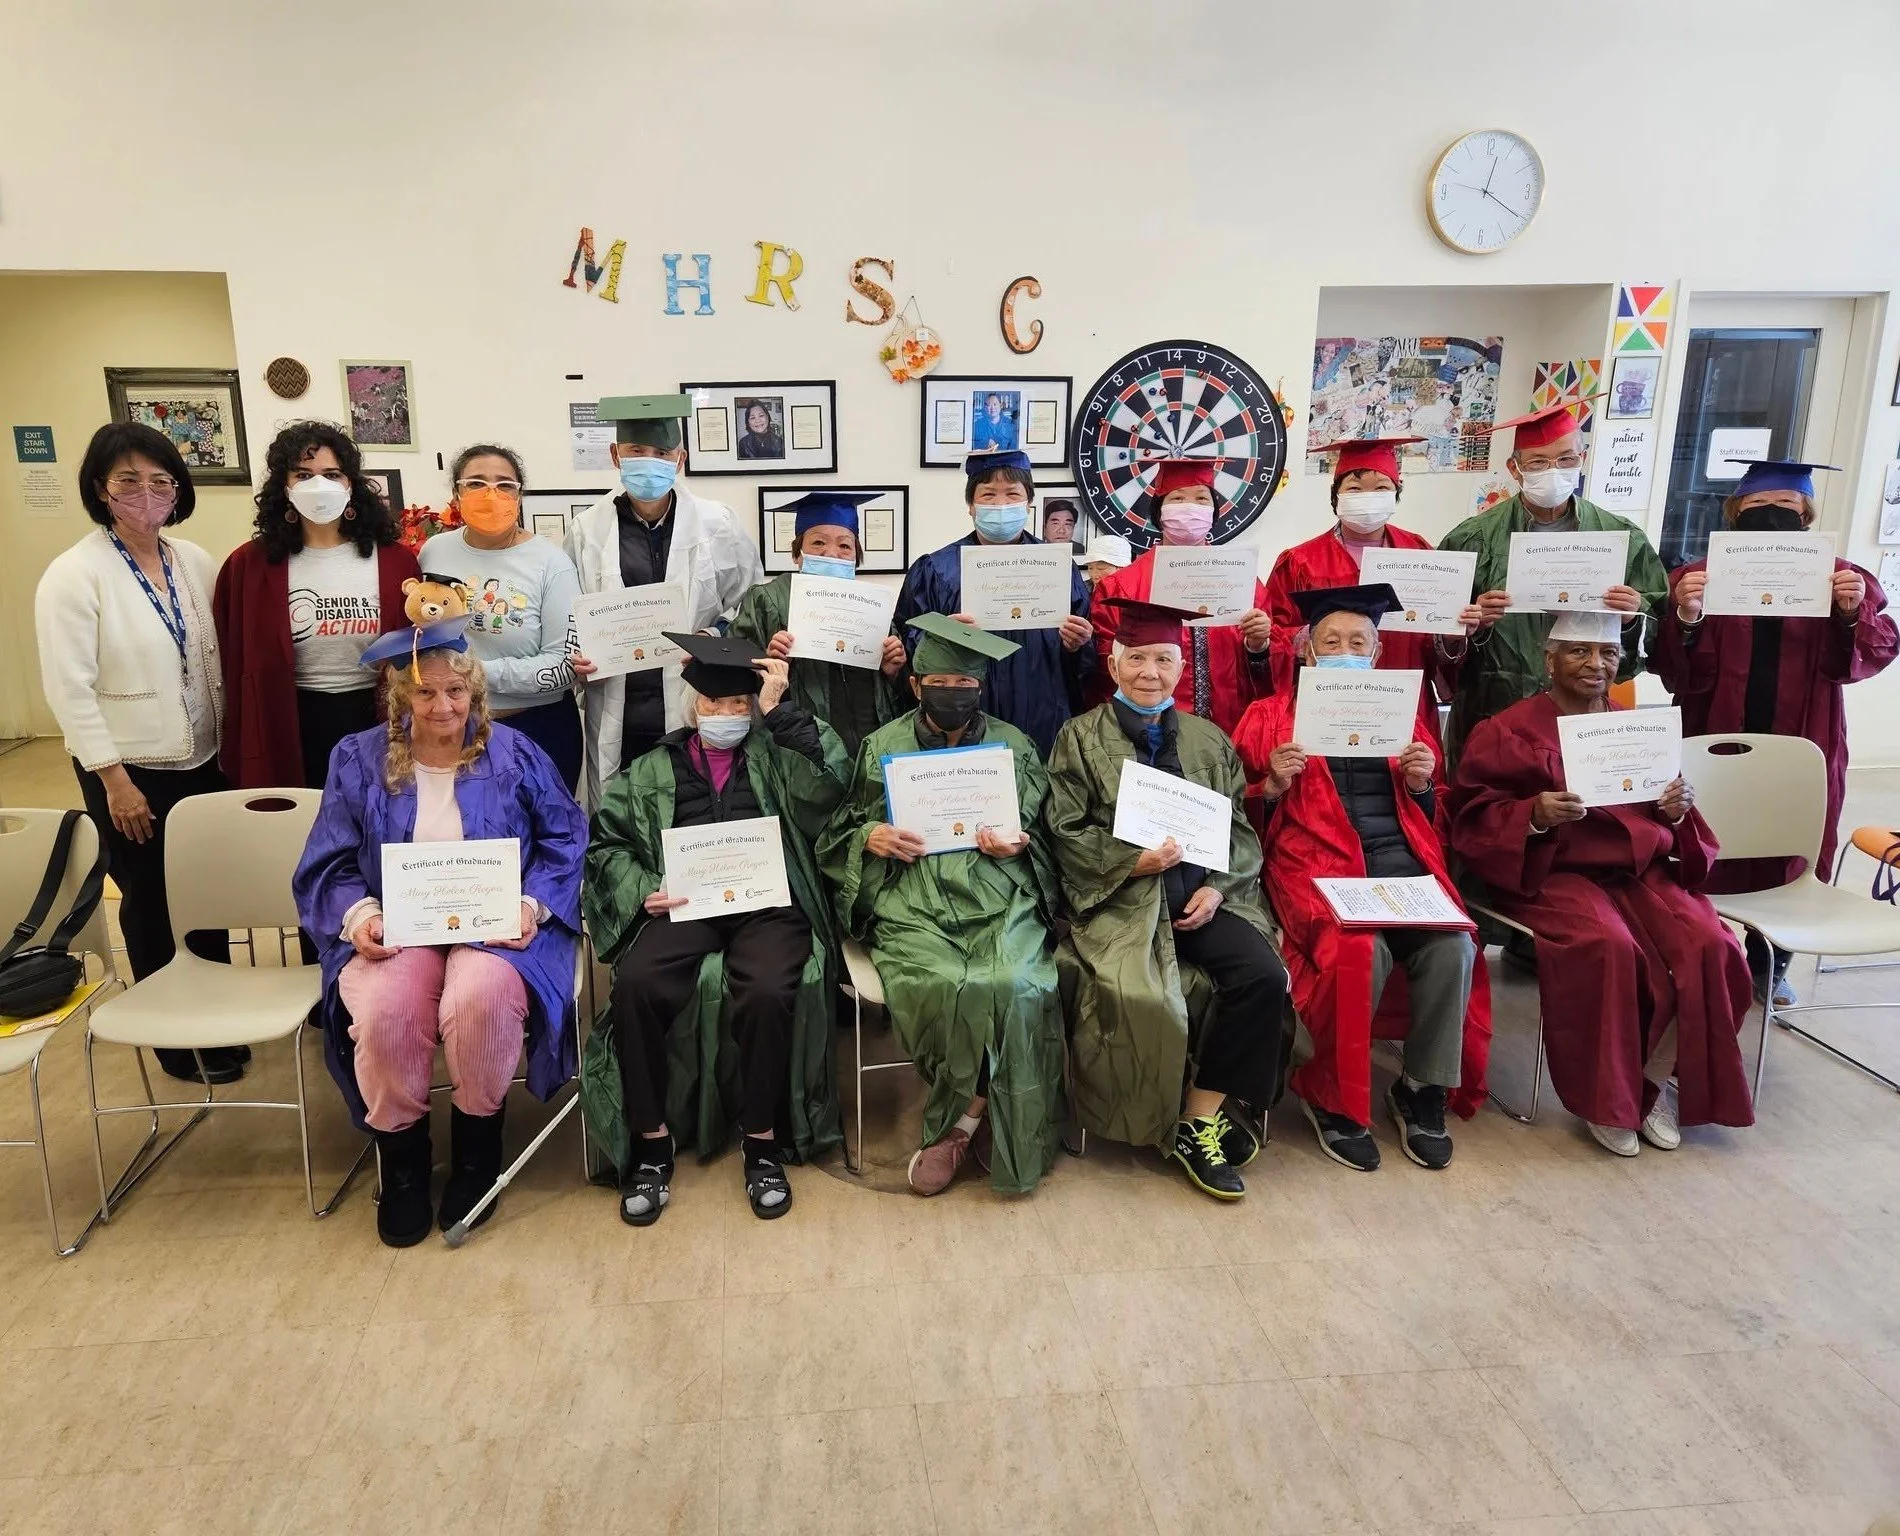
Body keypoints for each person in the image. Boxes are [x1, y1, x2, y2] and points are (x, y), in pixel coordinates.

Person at [292, 618, 585, 1246]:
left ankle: (477, 1156)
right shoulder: (359, 758)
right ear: (400, 699)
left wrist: (532, 906)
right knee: (386, 1010)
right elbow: (331, 859)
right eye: (425, 694)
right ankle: (404, 1163)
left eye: (456, 691)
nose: (443, 705)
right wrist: (360, 915)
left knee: (478, 1000)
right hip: (401, 924)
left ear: (474, 692)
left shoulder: (514, 752)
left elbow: (565, 837)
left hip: (498, 923)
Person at [1449, 610, 1755, 1157]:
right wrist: (1535, 815)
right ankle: (1608, 1101)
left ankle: (1649, 1084)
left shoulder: (1634, 729)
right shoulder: (1509, 731)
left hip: (1639, 871)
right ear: (1549, 660)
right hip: (1555, 870)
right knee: (1605, 945)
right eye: (1579, 652)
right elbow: (1472, 818)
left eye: (1607, 654)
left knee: (1712, 945)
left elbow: (1671, 816)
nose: (1596, 665)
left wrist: (1677, 811)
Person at [583, 635, 849, 1225]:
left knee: (766, 991)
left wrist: (781, 711)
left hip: (768, 904)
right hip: (686, 903)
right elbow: (608, 843)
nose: (726, 715)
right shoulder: (657, 765)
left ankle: (761, 1142)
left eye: (738, 705)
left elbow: (830, 791)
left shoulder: (778, 750)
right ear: (692, 705)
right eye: (713, 704)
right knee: (637, 986)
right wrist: (642, 887)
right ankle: (652, 1146)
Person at [1233, 584, 1490, 1173]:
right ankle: (1336, 1100)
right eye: (1331, 641)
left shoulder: (1405, 718)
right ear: (1306, 652)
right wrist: (1269, 786)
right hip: (1314, 864)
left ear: (1375, 655)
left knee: (1453, 944)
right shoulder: (1268, 715)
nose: (1344, 650)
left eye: (1358, 642)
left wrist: (1423, 785)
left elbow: (1435, 812)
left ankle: (1422, 1088)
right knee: (1358, 946)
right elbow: (1235, 815)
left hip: (1401, 863)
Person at [1046, 597, 1291, 1200]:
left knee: (1263, 975)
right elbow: (1066, 828)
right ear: (1113, 664)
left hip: (1203, 899)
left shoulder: (1208, 739)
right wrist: (1135, 862)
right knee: (1139, 994)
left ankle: (1198, 1117)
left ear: (1182, 669)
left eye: (1163, 659)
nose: (1149, 672)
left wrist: (1218, 887)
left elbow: (1236, 828)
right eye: (1137, 659)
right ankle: (1138, 1117)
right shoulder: (1078, 738)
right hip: (1122, 901)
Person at [819, 614, 1065, 1196]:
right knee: (947, 980)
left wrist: (1020, 840)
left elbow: (1042, 828)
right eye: (940, 684)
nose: (953, 695)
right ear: (915, 685)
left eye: (965, 685)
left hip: (998, 888)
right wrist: (869, 837)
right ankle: (975, 1117)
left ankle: (962, 1121)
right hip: (911, 896)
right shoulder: (883, 745)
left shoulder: (1015, 745)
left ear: (981, 688)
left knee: (1010, 980)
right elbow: (840, 830)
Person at [35, 421, 242, 1086]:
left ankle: (215, 1010)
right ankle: (171, 1033)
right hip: (130, 769)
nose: (146, 493)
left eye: (160, 481)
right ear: (102, 489)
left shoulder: (194, 560)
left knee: (208, 893)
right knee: (151, 898)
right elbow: (68, 689)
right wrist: (114, 779)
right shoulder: (74, 575)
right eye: (129, 481)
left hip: (204, 758)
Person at [1653, 459, 1897, 1004]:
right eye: (1760, 507)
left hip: (1805, 731)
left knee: (1795, 836)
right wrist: (1687, 617)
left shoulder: (1843, 577)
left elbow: (1874, 651)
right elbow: (1671, 666)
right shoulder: (1697, 574)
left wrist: (1850, 613)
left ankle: (1772, 958)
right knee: (1703, 829)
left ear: (1807, 514)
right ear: (1736, 510)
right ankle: (1698, 943)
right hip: (1714, 724)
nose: (1773, 516)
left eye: (1788, 508)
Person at [1436, 403, 1668, 767]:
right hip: (1495, 710)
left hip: (1586, 713)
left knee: (1583, 810)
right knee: (1499, 811)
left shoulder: (1622, 537)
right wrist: (1470, 624)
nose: (1553, 471)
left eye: (1565, 459)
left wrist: (1632, 618)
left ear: (1583, 457)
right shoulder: (1471, 539)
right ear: (1515, 468)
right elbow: (1436, 639)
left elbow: (1660, 629)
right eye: (1538, 463)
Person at [567, 393, 764, 808]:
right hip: (619, 705)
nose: (649, 461)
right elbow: (570, 615)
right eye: (637, 450)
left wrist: (712, 636)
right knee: (622, 814)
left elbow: (751, 603)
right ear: (615, 455)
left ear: (680, 458)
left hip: (695, 697)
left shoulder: (719, 525)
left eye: (662, 452)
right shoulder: (586, 531)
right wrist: (578, 655)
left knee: (691, 810)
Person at [214, 419, 418, 794]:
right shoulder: (249, 565)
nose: (318, 485)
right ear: (285, 487)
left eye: (332, 473)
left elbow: (416, 649)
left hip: (374, 716)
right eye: (303, 474)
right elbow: (232, 659)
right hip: (289, 718)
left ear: (350, 484)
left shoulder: (396, 561)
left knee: (375, 820)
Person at [1264, 436, 1476, 743]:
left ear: (1396, 493)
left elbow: (1435, 645)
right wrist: (1308, 638)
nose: (1368, 497)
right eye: (1354, 488)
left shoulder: (1421, 555)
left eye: (1381, 488)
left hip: (1404, 702)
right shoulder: (1299, 561)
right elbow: (1274, 635)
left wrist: (1453, 636)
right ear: (1336, 496)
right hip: (1325, 705)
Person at [893, 449, 1095, 757]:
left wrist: (1076, 645)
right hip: (964, 715)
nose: (1001, 505)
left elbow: (1082, 658)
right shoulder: (935, 570)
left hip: (1041, 706)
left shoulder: (1056, 566)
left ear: (1028, 504)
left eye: (1012, 494)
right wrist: (939, 636)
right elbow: (908, 641)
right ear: (971, 506)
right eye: (988, 495)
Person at [419, 444, 588, 790]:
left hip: (537, 730)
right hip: (450, 728)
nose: (490, 494)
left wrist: (468, 674)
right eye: (476, 483)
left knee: (540, 838)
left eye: (504, 485)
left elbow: (562, 667)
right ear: (456, 494)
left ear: (520, 495)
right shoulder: (434, 552)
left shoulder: (551, 563)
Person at [1088, 458, 1273, 734]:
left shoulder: (1242, 579)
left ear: (1214, 511)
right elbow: (1106, 668)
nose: (1190, 508)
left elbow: (1270, 669)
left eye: (1201, 499)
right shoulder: (1120, 586)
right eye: (1177, 498)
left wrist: (1258, 645)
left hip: (1230, 727)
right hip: (1149, 731)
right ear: (1159, 510)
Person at [729, 490, 907, 756]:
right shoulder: (767, 599)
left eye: (845, 546)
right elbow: (733, 671)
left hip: (870, 743)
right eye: (818, 543)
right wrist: (769, 663)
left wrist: (894, 671)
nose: (831, 554)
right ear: (797, 553)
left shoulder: (871, 604)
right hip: (798, 746)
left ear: (855, 557)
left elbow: (899, 692)